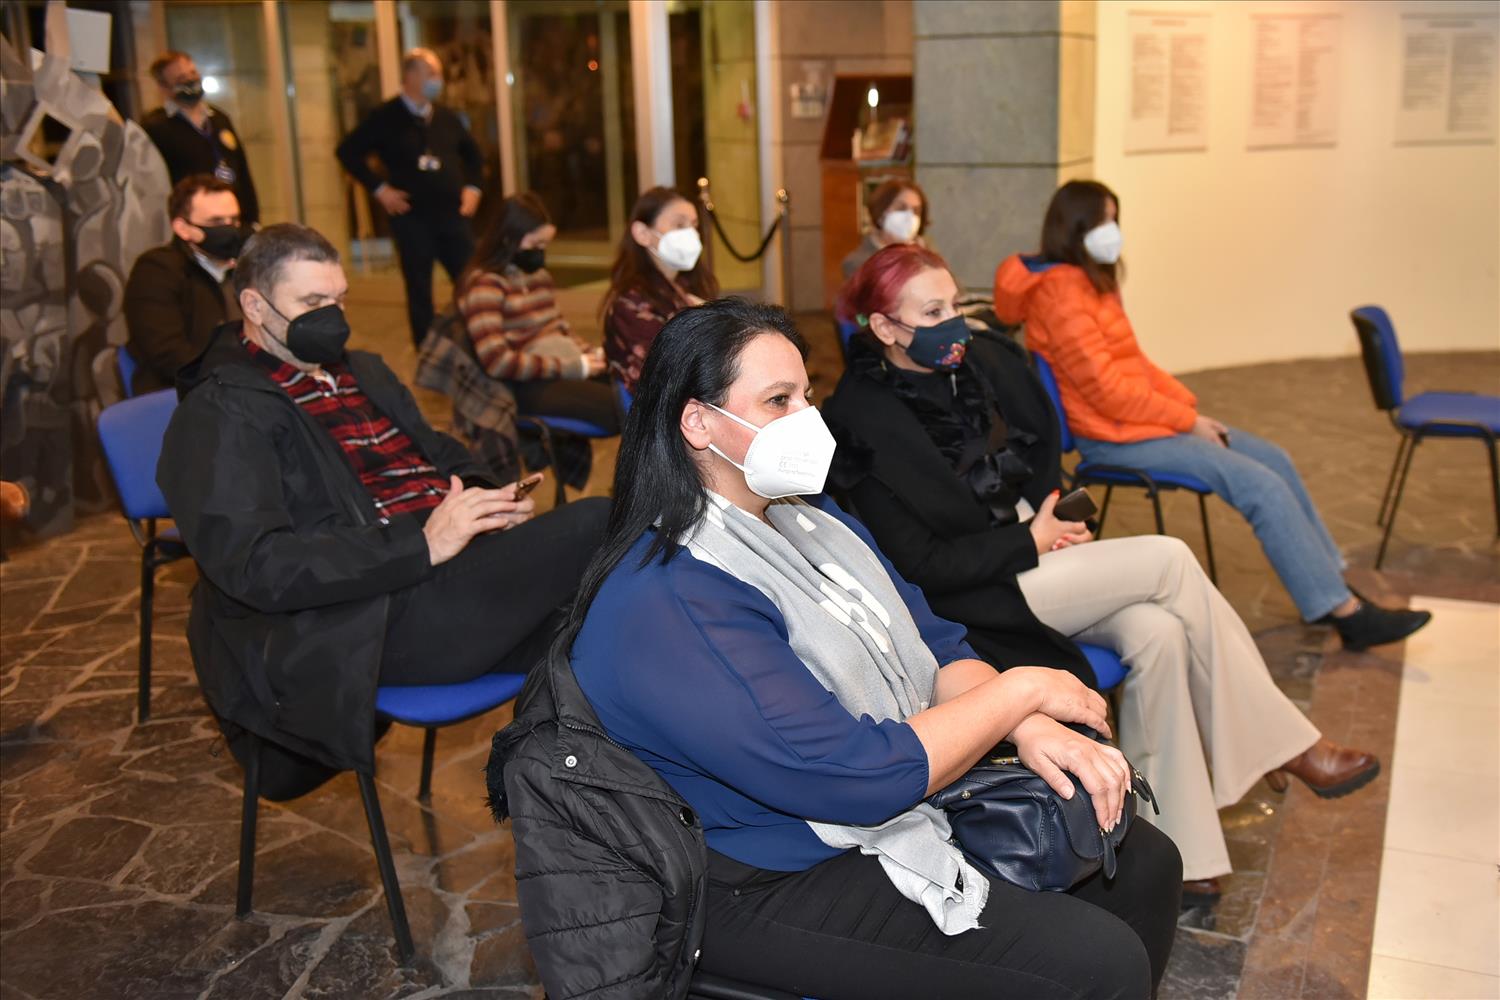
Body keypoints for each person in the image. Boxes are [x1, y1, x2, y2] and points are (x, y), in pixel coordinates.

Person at [564, 298, 1182, 998]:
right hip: (755, 869)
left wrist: (1027, 726)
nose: (808, 418)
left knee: (1145, 864)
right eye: (778, 401)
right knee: (1095, 962)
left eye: (807, 395)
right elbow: (850, 775)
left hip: (867, 798)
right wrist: (1020, 695)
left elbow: (937, 646)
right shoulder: (673, 594)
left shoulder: (813, 520)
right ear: (697, 423)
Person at [826, 244, 1381, 904]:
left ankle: (1184, 849)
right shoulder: (860, 419)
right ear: (884, 327)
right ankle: (1282, 744)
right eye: (932, 312)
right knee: (1170, 560)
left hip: (1036, 556)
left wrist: (1055, 520)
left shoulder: (983, 364)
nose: (954, 324)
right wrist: (1030, 540)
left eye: (955, 304)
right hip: (975, 595)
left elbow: (1036, 458)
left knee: (1158, 633)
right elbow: (920, 568)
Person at [156, 223, 607, 796]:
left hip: (447, 577)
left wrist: (485, 498)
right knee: (597, 524)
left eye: (339, 299)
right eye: (312, 302)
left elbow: (439, 451)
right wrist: (421, 544)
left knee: (604, 626)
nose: (333, 317)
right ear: (254, 305)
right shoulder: (220, 414)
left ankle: (577, 806)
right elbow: (257, 565)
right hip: (367, 619)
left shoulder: (362, 370)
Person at [995, 180, 1431, 651]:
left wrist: (1185, 408)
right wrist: (1186, 423)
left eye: (1115, 220)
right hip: (1113, 439)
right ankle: (1345, 612)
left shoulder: (1092, 280)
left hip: (1140, 425)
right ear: (1076, 226)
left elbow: (1135, 364)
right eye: (1104, 221)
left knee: (1275, 458)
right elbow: (1107, 393)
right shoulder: (1062, 295)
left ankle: (1330, 583)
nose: (1113, 231)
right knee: (1260, 486)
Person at [336, 47, 484, 348]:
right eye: (431, 73)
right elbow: (348, 152)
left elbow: (474, 156)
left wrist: (473, 188)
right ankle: (427, 351)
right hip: (412, 217)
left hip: (452, 216)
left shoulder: (446, 117)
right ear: (410, 76)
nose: (437, 80)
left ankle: (478, 341)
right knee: (419, 289)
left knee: (471, 280)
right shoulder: (385, 117)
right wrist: (380, 190)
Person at [123, 175, 247, 394]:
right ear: (182, 228)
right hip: (184, 395)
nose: (229, 230)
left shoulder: (247, 268)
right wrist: (230, 382)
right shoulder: (158, 270)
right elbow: (168, 354)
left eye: (234, 220)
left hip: (244, 388)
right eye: (216, 222)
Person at [601, 186, 719, 394]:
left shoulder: (685, 289)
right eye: (679, 225)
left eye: (694, 226)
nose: (691, 234)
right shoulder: (631, 304)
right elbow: (667, 378)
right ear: (643, 234)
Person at [140, 51, 259, 227]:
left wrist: (252, 220)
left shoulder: (219, 118)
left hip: (232, 215)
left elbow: (242, 170)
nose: (191, 80)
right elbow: (152, 185)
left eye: (193, 73)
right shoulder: (155, 127)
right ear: (163, 87)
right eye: (181, 78)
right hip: (194, 222)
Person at [840, 178, 932, 280]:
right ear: (881, 213)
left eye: (916, 211)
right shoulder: (859, 263)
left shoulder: (926, 254)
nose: (910, 217)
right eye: (901, 208)